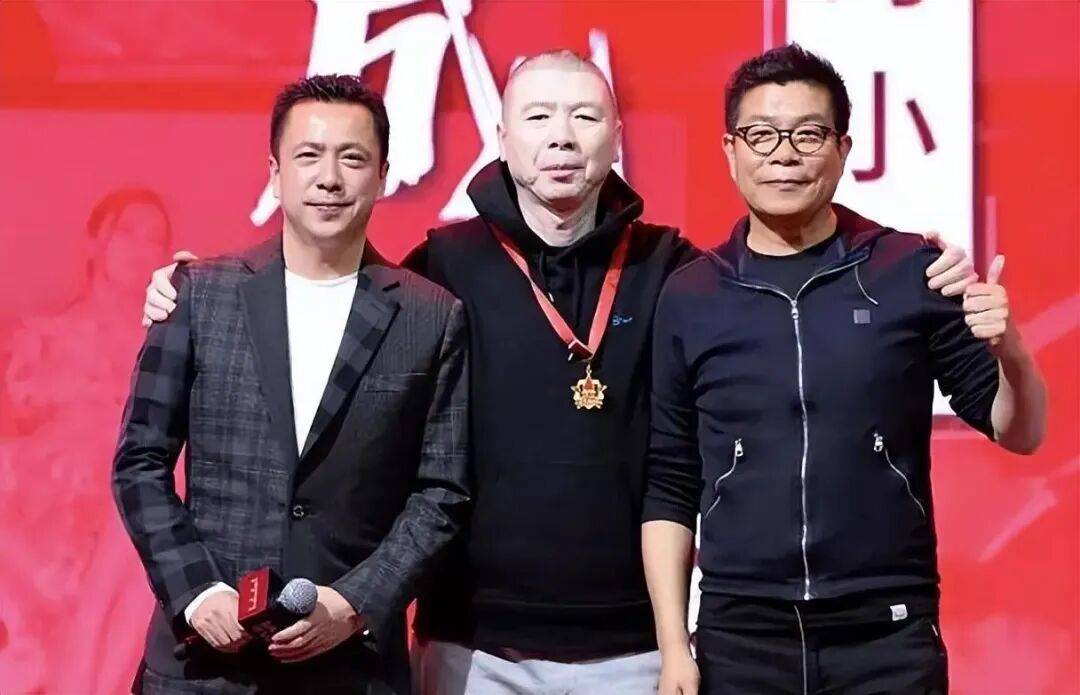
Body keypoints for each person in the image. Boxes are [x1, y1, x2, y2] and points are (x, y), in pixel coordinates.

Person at [139, 51, 976, 695]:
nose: (562, 137)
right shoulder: (439, 269)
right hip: (471, 648)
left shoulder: (676, 270)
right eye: (537, 116)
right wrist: (189, 287)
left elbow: (788, 295)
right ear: (503, 138)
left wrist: (916, 266)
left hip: (639, 650)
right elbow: (332, 308)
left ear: (617, 136)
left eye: (585, 116)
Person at [642, 44, 1047, 695]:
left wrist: (1011, 350)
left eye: (808, 134)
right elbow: (670, 480)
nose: (784, 154)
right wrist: (672, 649)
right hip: (741, 635)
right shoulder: (692, 294)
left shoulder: (909, 270)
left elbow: (1019, 430)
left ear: (842, 148)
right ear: (730, 150)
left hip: (886, 632)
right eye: (761, 135)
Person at [112, 74, 469, 694]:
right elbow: (139, 462)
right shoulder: (199, 294)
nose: (329, 178)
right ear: (275, 173)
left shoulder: (431, 316)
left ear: (383, 176)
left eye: (352, 158)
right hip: (201, 666)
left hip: (349, 668)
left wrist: (355, 603)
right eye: (308, 155)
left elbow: (442, 492)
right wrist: (198, 591)